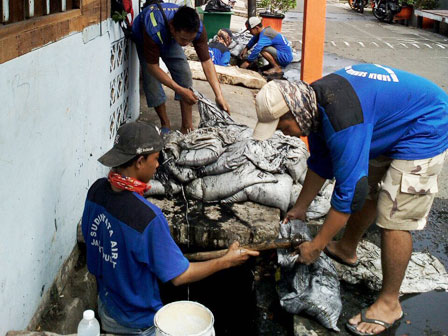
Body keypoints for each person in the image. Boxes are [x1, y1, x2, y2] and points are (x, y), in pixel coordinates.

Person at [251, 64, 448, 336]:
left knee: (394, 217)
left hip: (425, 123)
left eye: (283, 126)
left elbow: (348, 196)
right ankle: (346, 248)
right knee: (370, 190)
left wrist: (316, 246)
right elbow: (321, 163)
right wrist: (299, 209)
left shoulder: (342, 121)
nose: (284, 134)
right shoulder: (312, 103)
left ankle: (390, 304)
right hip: (387, 122)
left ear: (294, 111)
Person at [82, 121, 258, 334]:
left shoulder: (96, 191)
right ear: (139, 161)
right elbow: (181, 276)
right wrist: (226, 261)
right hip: (139, 322)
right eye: (155, 159)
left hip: (107, 309)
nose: (157, 166)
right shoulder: (147, 218)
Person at [132, 4, 230, 134]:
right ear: (172, 28)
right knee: (152, 82)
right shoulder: (153, 28)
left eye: (191, 40)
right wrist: (179, 89)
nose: (186, 44)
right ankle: (165, 124)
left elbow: (206, 61)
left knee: (184, 74)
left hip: (170, 36)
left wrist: (219, 95)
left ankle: (186, 127)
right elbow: (153, 67)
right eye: (184, 39)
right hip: (145, 36)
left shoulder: (197, 28)